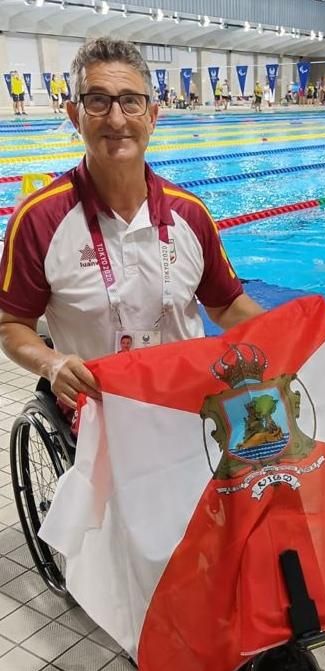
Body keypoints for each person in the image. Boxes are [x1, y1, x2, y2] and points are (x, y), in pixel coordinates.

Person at [0, 38, 263, 411]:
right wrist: (52, 364)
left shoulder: (189, 213)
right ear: (75, 116)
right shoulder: (39, 219)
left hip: (189, 408)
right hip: (100, 416)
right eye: (98, 101)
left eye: (130, 101)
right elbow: (11, 324)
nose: (117, 119)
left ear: (152, 116)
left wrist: (295, 334)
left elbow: (227, 305)